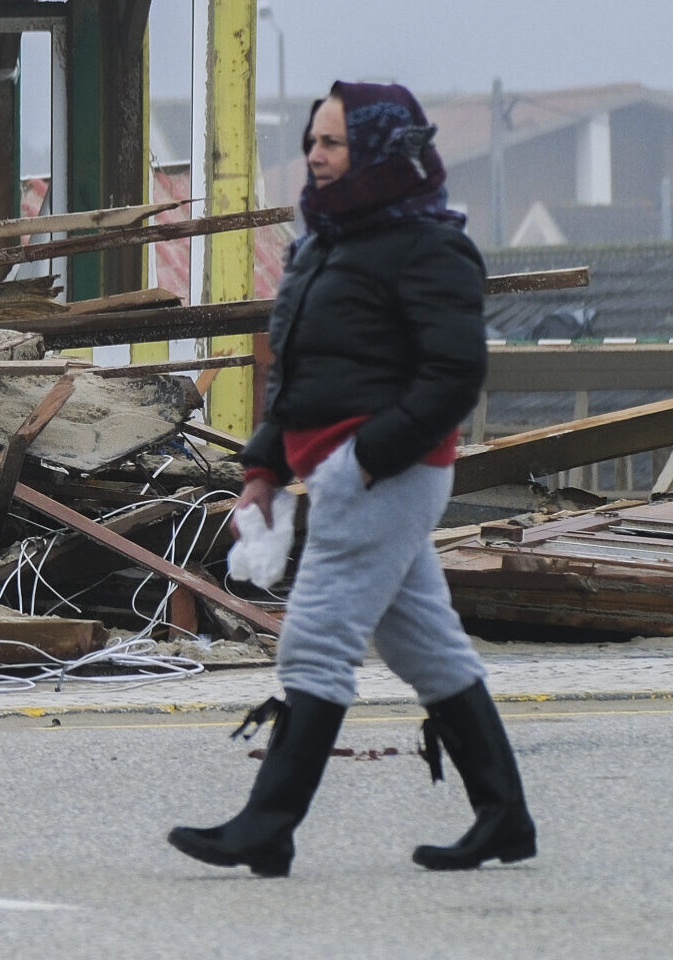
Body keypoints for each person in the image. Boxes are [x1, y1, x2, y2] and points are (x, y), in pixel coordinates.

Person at [168, 81, 536, 878]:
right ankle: (505, 818)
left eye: (332, 142)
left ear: (377, 150)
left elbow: (453, 375)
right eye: (312, 141)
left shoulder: (429, 245)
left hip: (383, 476)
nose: (315, 155)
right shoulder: (327, 240)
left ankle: (266, 826)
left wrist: (361, 461)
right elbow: (299, 375)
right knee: (428, 648)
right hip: (339, 470)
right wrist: (262, 466)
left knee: (315, 643)